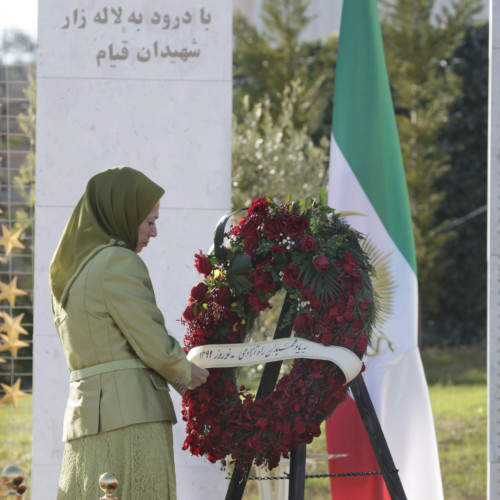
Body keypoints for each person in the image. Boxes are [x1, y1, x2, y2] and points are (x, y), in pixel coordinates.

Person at [49, 166, 209, 499]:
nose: (153, 233)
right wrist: (189, 374)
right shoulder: (117, 261)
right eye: (149, 221)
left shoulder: (70, 270)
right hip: (131, 420)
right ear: (122, 212)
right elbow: (149, 339)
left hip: (85, 422)